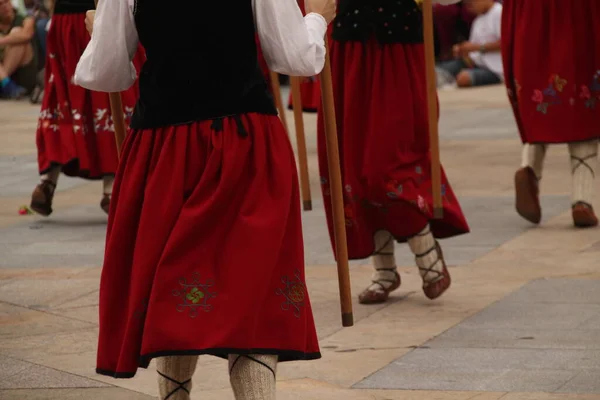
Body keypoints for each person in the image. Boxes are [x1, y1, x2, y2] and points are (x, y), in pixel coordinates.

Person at [74, 0, 334, 397]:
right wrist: (317, 18)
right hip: (244, 140)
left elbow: (106, 73)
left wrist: (101, 33)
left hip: (165, 148)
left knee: (174, 284)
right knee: (253, 291)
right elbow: (295, 57)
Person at [318, 0, 470, 305]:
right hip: (350, 51)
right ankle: (384, 269)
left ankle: (424, 246)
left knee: (386, 165)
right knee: (353, 165)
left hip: (398, 51)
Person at [29, 0, 145, 217]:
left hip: (72, 20)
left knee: (70, 96)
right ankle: (111, 186)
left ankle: (48, 181)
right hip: (94, 18)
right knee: (102, 92)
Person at [502, 0, 599, 228]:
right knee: (582, 97)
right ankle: (581, 200)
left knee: (538, 93)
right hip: (577, 9)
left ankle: (530, 170)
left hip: (528, 9)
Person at [436, 0, 502, 88]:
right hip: (476, 63)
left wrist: (476, 48)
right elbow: (472, 50)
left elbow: (505, 43)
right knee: (435, 72)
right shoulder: (478, 19)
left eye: (471, 3)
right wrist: (462, 50)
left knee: (464, 78)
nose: (470, 7)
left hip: (495, 69)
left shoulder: (499, 12)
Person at [0, 0, 37, 99]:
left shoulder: (26, 19)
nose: (4, 6)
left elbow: (27, 35)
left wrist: (2, 41)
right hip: (7, 75)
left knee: (17, 34)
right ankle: (5, 83)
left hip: (24, 74)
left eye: (6, 2)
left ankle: (4, 82)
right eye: (0, 4)